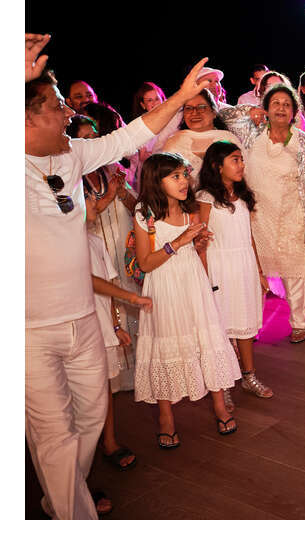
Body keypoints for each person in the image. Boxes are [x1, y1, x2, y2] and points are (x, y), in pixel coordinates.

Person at [25, 32, 213, 519]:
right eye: (57, 104)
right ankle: (75, 518)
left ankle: (59, 496)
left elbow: (129, 135)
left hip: (84, 316)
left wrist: (180, 95)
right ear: (23, 116)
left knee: (89, 418)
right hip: (27, 331)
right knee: (53, 434)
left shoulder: (70, 156)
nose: (70, 113)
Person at [133, 152, 242, 447]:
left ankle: (220, 406)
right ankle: (166, 417)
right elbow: (144, 263)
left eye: (184, 175)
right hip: (164, 283)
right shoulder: (145, 211)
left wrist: (198, 243)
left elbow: (193, 249)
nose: (184, 182)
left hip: (191, 280)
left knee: (206, 339)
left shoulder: (189, 206)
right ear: (158, 180)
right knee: (166, 342)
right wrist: (179, 243)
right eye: (176, 176)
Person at [217, 83, 305, 344]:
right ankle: (250, 326)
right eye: (275, 103)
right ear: (266, 108)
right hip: (257, 216)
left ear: (294, 111)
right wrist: (250, 110)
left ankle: (299, 323)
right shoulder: (252, 134)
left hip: (292, 215)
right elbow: (222, 114)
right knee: (255, 273)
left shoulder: (303, 140)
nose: (281, 108)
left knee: (295, 271)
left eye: (287, 104)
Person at [196, 140, 273, 401]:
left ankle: (249, 376)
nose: (241, 165)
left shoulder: (242, 196)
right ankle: (224, 384)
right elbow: (200, 240)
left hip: (244, 265)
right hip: (220, 266)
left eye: (241, 159)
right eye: (235, 160)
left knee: (246, 323)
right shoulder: (205, 197)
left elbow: (248, 236)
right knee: (223, 326)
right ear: (217, 166)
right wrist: (204, 277)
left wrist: (259, 271)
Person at [68, 115, 140, 391]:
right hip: (95, 254)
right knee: (109, 303)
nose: (90, 143)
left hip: (121, 245)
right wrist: (109, 195)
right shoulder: (73, 178)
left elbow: (136, 205)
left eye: (93, 137)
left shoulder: (111, 169)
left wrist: (121, 193)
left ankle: (135, 373)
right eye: (83, 139)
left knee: (129, 299)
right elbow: (86, 217)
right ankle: (113, 379)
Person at [87, 230, 151, 473]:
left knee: (105, 386)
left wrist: (115, 325)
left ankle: (109, 441)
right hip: (77, 324)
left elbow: (107, 285)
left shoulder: (95, 240)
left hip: (102, 324)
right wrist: (132, 299)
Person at [160, 88, 243, 179]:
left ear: (214, 112)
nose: (194, 112)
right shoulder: (174, 142)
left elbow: (244, 174)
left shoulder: (228, 139)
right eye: (188, 108)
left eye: (201, 107)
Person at [127, 82, 175, 192]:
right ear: (143, 105)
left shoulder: (173, 120)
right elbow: (141, 157)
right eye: (149, 100)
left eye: (157, 99)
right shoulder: (139, 125)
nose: (154, 103)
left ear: (163, 99)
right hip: (150, 174)